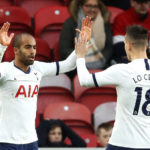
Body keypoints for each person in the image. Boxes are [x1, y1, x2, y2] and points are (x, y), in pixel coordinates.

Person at [0, 17, 91, 150]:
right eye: (27, 47)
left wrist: (83, 42)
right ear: (15, 50)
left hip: (30, 141)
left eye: (34, 47)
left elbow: (68, 65)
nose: (32, 51)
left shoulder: (38, 68)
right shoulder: (5, 69)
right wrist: (1, 47)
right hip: (5, 140)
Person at [75, 23, 150, 149]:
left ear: (128, 45)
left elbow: (84, 80)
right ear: (147, 45)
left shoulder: (122, 71)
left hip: (121, 143)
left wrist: (80, 55)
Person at [59, 0, 112, 79]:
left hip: (101, 65)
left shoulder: (104, 23)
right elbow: (64, 50)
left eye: (95, 6)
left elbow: (109, 48)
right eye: (88, 6)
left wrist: (100, 61)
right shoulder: (71, 23)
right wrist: (81, 60)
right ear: (80, 6)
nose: (92, 9)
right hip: (75, 67)